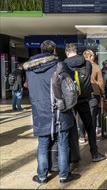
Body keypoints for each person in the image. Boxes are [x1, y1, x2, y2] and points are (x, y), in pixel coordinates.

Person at [23, 40, 80, 184]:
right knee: (62, 142)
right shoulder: (60, 66)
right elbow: (70, 86)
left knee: (42, 144)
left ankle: (41, 176)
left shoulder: (30, 70)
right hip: (59, 111)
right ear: (54, 50)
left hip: (39, 112)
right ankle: (64, 175)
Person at [64, 43, 106, 162]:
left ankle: (71, 156)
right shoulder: (87, 63)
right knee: (90, 126)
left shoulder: (64, 64)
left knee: (69, 126)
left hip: (70, 100)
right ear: (76, 51)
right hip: (84, 98)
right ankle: (94, 153)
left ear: (67, 52)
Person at [82, 49, 105, 136]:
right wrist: (102, 93)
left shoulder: (79, 66)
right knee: (93, 115)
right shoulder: (96, 66)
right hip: (94, 93)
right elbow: (101, 82)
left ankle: (81, 135)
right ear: (90, 56)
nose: (94, 57)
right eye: (93, 55)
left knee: (82, 114)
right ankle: (91, 135)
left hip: (82, 93)